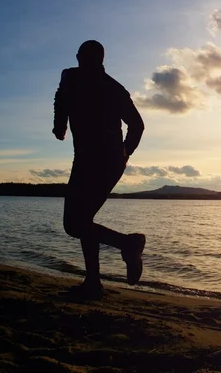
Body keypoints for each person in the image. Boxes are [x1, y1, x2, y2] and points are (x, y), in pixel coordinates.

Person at [52, 40, 146, 299]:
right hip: (91, 159)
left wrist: (125, 152)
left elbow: (137, 125)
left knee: (74, 224)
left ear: (96, 60)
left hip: (102, 161)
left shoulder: (113, 88)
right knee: (82, 221)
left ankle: (129, 243)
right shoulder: (72, 78)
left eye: (85, 57)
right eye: (81, 57)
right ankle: (93, 282)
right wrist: (59, 124)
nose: (81, 61)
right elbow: (61, 98)